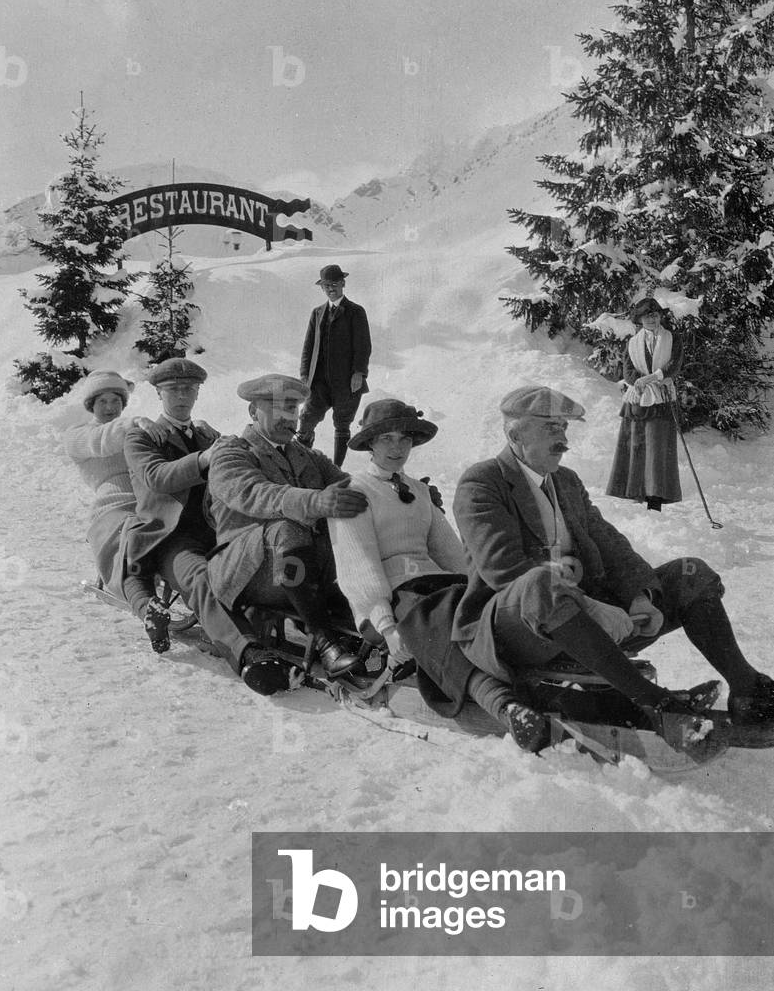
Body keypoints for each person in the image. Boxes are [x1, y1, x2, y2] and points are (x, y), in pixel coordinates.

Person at [451, 385, 774, 756]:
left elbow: (611, 544)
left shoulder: (566, 481)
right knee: (540, 581)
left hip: (582, 625)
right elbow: (503, 569)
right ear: (515, 435)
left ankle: (749, 690)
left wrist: (642, 596)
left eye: (564, 428)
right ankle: (657, 705)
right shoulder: (482, 483)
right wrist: (589, 605)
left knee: (690, 574)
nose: (562, 438)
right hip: (515, 632)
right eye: (550, 428)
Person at [206, 373, 369, 695]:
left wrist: (394, 490)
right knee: (287, 524)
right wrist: (314, 500)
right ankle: (324, 641)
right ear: (253, 413)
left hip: (297, 567)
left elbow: (350, 485)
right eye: (277, 408)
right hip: (244, 570)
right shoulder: (230, 451)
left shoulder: (307, 455)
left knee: (351, 515)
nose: (288, 417)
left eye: (293, 408)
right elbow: (254, 493)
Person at [123, 357, 264, 675]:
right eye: (173, 389)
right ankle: (246, 651)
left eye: (189, 389)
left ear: (198, 393)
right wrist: (204, 458)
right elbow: (157, 477)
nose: (182, 396)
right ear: (159, 393)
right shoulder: (142, 437)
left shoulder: (206, 436)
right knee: (202, 577)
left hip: (215, 531)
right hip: (169, 537)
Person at [328, 399, 467, 667]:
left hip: (433, 588)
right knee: (449, 630)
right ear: (370, 443)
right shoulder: (354, 492)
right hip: (390, 599)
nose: (397, 447)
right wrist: (388, 628)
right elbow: (358, 568)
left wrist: (481, 590)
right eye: (386, 438)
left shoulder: (420, 491)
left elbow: (451, 553)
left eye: (404, 438)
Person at [64, 369, 174, 652]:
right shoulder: (78, 435)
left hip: (147, 501)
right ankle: (146, 605)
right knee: (129, 535)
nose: (110, 407)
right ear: (91, 405)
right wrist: (133, 424)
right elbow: (101, 440)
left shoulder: (133, 429)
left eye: (116, 401)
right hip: (111, 507)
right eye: (103, 402)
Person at [606, 296, 683, 511]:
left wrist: (651, 378)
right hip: (637, 400)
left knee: (658, 447)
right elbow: (628, 371)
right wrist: (637, 383)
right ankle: (634, 493)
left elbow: (673, 365)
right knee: (636, 445)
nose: (652, 320)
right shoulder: (632, 343)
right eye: (647, 317)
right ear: (640, 320)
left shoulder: (672, 339)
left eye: (655, 315)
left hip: (661, 399)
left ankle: (655, 498)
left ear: (660, 317)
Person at [297, 264, 372, 467]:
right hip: (319, 383)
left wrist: (359, 373)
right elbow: (308, 346)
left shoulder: (355, 312)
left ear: (343, 284)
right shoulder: (317, 313)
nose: (331, 288)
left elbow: (363, 346)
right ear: (322, 288)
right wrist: (305, 375)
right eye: (327, 285)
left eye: (335, 284)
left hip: (347, 383)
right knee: (305, 422)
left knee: (342, 426)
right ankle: (300, 466)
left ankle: (336, 470)